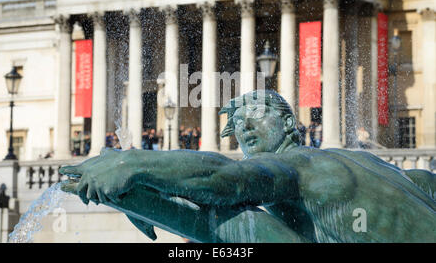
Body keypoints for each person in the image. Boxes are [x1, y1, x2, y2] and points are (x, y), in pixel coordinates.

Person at [60, 90, 436, 243]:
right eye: (238, 126)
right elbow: (239, 228)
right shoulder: (388, 170)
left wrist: (133, 163)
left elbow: (224, 178)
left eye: (255, 116)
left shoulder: (301, 167)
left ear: (290, 124)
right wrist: (141, 196)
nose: (245, 129)